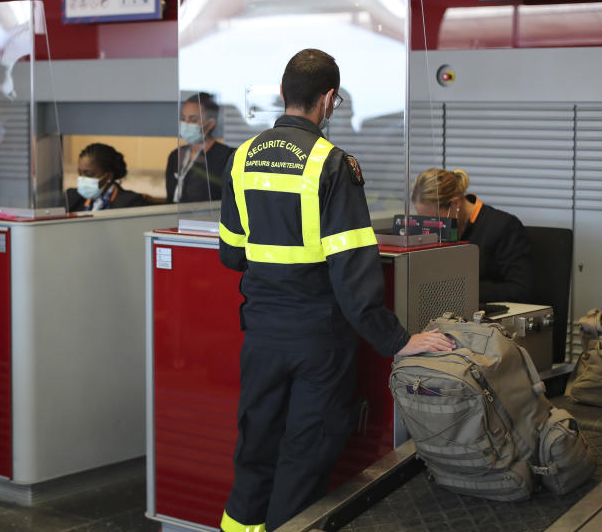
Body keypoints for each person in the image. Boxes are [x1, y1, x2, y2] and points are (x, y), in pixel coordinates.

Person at [217, 49, 454, 532]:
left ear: (284, 94)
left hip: (261, 334)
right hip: (317, 341)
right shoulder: (332, 163)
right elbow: (353, 272)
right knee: (305, 455)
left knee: (256, 443)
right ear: (328, 99)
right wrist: (398, 340)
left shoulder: (242, 158)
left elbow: (231, 254)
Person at [412, 167, 535, 303]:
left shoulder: (503, 227)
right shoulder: (434, 231)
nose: (429, 226)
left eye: (435, 219)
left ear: (456, 204)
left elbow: (521, 290)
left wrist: (460, 290)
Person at [165, 92, 233, 203]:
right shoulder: (175, 156)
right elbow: (169, 199)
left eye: (193, 120)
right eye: (183, 119)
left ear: (210, 124)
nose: (186, 124)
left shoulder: (226, 157)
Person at [66, 142, 146, 212]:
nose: (82, 179)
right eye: (80, 173)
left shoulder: (130, 202)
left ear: (109, 176)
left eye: (89, 174)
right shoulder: (71, 198)